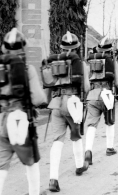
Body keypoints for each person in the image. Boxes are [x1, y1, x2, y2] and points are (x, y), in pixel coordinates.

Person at [0, 28, 47, 195]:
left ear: (4, 47)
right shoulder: (27, 69)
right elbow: (39, 99)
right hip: (20, 123)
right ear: (23, 47)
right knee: (31, 162)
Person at [44, 31, 90, 192]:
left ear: (61, 47)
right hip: (73, 102)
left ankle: (53, 179)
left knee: (57, 140)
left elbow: (49, 83)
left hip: (56, 102)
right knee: (76, 135)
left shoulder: (53, 62)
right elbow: (86, 87)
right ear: (77, 47)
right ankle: (79, 166)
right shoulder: (80, 63)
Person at [84, 37, 118, 166]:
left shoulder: (90, 61)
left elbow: (87, 83)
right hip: (107, 94)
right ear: (110, 49)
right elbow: (117, 82)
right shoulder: (112, 61)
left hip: (93, 94)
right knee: (110, 122)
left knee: (91, 125)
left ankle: (88, 150)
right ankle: (109, 148)